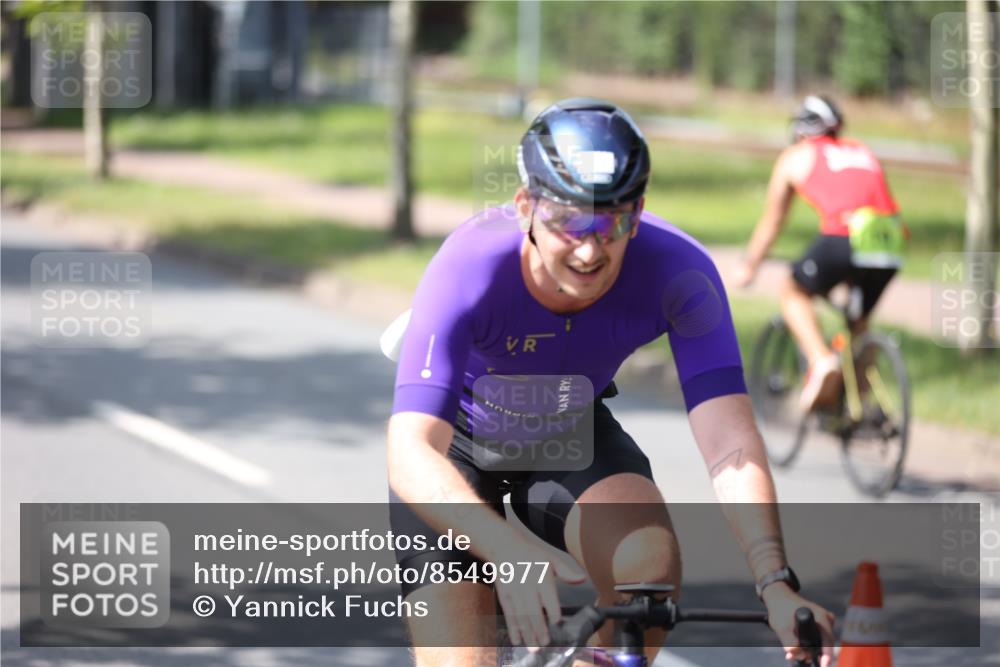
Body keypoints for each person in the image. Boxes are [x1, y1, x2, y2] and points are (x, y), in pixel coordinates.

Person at [386, 98, 835, 667]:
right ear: (526, 205)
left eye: (613, 221)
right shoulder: (470, 267)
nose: (590, 248)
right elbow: (409, 452)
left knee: (648, 570)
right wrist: (504, 550)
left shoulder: (680, 273)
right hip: (457, 451)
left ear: (639, 212)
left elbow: (731, 444)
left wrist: (775, 581)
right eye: (568, 220)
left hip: (567, 431)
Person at [734, 95, 906, 412]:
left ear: (801, 128)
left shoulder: (796, 155)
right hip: (891, 241)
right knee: (859, 322)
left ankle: (821, 360)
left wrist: (750, 265)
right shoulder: (861, 150)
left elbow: (773, 220)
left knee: (793, 291)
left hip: (845, 235)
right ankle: (862, 407)